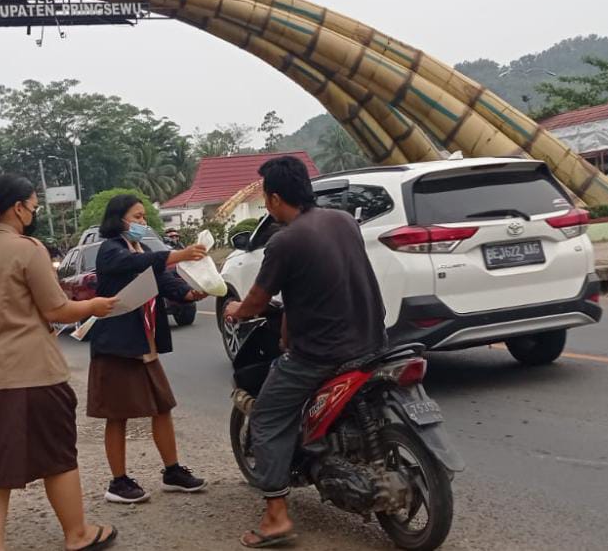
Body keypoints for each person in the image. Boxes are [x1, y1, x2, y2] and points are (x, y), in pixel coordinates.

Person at [0, 174, 120, 551]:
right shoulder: (27, 249)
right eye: (34, 207)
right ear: (18, 208)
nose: (34, 212)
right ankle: (77, 535)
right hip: (31, 374)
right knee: (57, 457)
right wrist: (94, 306)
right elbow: (57, 308)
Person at [225, 156, 387, 548]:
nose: (266, 204)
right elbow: (313, 288)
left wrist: (234, 310)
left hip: (322, 354)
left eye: (265, 197)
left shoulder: (285, 240)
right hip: (373, 340)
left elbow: (258, 301)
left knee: (266, 417)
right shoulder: (343, 221)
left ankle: (277, 517)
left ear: (276, 198)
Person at [86, 194, 209, 504]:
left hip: (144, 342)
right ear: (119, 219)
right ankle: (118, 482)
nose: (143, 223)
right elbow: (139, 265)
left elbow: (163, 279)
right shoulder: (110, 251)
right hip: (116, 346)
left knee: (162, 406)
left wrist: (188, 292)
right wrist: (178, 254)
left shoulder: (142, 248)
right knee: (117, 415)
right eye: (137, 217)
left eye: (144, 217)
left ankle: (172, 471)